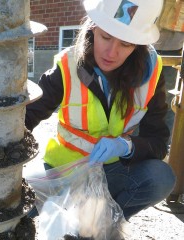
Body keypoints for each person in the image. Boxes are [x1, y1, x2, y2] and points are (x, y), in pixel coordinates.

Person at [25, 0, 176, 221]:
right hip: (63, 171)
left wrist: (125, 146)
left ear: (137, 44)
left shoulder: (150, 73)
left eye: (125, 44)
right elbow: (29, 115)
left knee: (160, 177)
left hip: (111, 172)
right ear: (93, 26)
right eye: (106, 37)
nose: (112, 52)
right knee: (19, 208)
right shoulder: (68, 65)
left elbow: (158, 143)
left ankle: (101, 224)